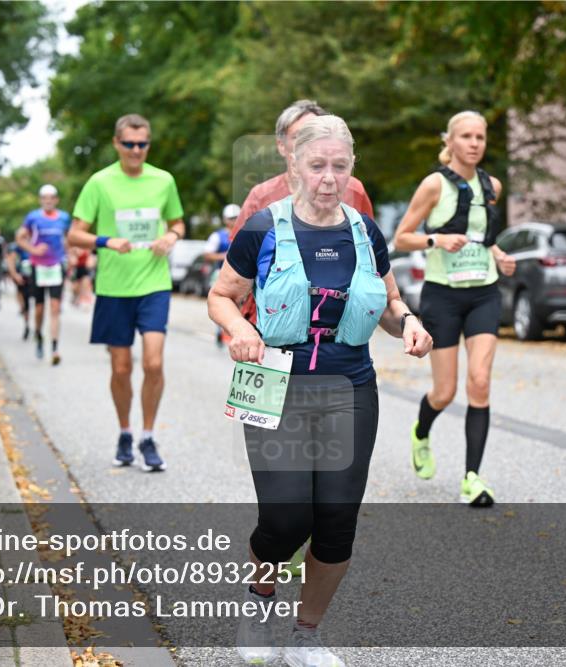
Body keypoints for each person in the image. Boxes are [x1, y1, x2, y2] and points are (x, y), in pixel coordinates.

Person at [209, 115, 432, 666]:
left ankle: (306, 635)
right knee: (287, 519)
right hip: (275, 383)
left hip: (349, 386)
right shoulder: (261, 227)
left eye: (339, 166)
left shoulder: (364, 231)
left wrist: (408, 323)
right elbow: (220, 296)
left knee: (335, 523)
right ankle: (259, 602)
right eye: (317, 166)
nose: (328, 178)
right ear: (293, 166)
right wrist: (239, 329)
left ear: (350, 168)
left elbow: (389, 302)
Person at [394, 110, 516, 507]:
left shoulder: (491, 185)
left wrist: (498, 253)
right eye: (466, 136)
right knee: (444, 392)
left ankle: (472, 478)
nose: (475, 143)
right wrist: (436, 241)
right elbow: (402, 237)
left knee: (479, 381)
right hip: (442, 295)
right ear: (450, 141)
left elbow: (483, 236)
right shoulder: (434, 185)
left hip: (483, 292)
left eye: (480, 136)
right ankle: (421, 432)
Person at [68, 114, 185, 472]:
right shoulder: (99, 183)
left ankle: (148, 437)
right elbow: (74, 234)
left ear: (148, 144)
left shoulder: (163, 180)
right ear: (117, 143)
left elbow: (178, 221)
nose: (136, 150)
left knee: (153, 362)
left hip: (154, 284)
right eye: (130, 144)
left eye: (143, 144)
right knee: (121, 368)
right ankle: (124, 432)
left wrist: (171, 236)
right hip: (114, 289)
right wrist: (106, 241)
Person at [229, 100, 376, 326]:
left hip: (340, 326)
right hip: (274, 324)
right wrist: (241, 327)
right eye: (301, 135)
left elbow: (370, 253)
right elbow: (237, 265)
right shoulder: (261, 197)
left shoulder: (353, 190)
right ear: (281, 146)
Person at [16, 185, 71, 365]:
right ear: (40, 200)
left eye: (51, 198)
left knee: (55, 308)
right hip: (37, 267)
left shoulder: (64, 218)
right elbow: (20, 237)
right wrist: (33, 249)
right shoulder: (33, 217)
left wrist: (70, 256)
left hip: (56, 267)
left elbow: (69, 239)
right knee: (39, 309)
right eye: (44, 198)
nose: (48, 201)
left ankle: (55, 347)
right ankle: (38, 335)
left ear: (56, 200)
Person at [203, 204, 240, 346]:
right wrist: (224, 257)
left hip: (241, 277)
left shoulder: (244, 233)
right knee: (222, 302)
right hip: (221, 274)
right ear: (225, 220)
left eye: (236, 217)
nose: (234, 221)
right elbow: (207, 254)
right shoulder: (218, 236)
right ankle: (220, 329)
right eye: (231, 218)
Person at [5, 239, 33, 341]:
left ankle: (37, 328)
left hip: (36, 279)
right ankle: (27, 325)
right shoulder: (16, 247)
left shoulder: (38, 242)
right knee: (25, 303)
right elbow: (10, 260)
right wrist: (14, 275)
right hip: (23, 278)